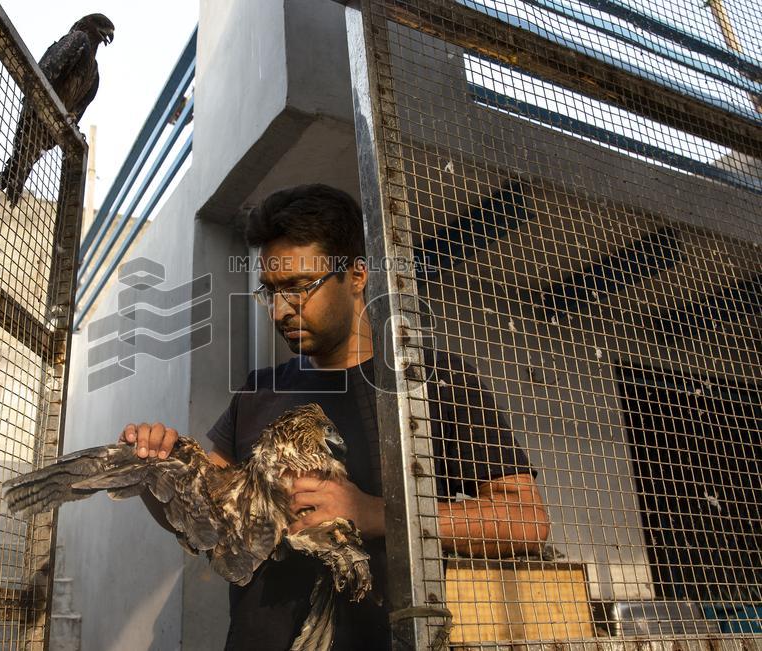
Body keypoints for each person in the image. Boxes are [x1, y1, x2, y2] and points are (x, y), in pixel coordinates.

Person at [118, 184, 550, 650]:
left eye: (300, 287)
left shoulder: (432, 381)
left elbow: (527, 521)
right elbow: (208, 521)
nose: (281, 310)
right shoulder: (259, 390)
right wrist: (155, 471)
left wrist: (376, 514)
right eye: (271, 292)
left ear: (358, 275)